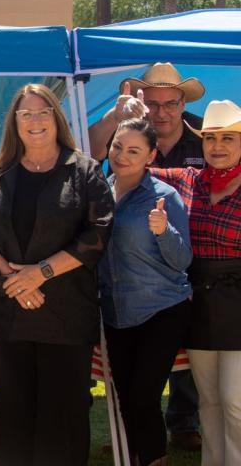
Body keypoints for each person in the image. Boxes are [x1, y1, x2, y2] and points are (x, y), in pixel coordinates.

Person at [0, 83, 113, 466]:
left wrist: (41, 273)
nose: (35, 121)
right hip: (11, 315)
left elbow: (97, 235)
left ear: (56, 118)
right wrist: (17, 280)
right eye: (26, 114)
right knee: (15, 419)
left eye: (43, 112)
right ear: (14, 123)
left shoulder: (85, 172)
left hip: (65, 316)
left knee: (62, 419)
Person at [88, 62, 206, 450]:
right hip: (129, 278)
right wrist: (114, 117)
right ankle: (134, 436)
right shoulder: (121, 144)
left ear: (182, 103)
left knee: (190, 361)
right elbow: (86, 150)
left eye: (170, 103)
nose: (161, 111)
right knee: (135, 384)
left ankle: (182, 420)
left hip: (192, 263)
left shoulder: (204, 137)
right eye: (152, 103)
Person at [149, 99, 241, 466]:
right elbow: (135, 166)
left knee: (235, 401)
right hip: (199, 303)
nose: (217, 146)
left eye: (228, 139)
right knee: (209, 400)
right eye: (211, 138)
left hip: (239, 301)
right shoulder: (190, 181)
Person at [99, 118, 192, 466]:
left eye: (134, 150)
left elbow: (183, 259)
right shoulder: (101, 192)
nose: (122, 155)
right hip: (116, 310)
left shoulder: (164, 197)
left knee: (143, 397)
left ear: (151, 156)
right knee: (125, 397)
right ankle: (137, 457)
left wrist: (163, 229)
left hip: (162, 310)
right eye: (118, 146)